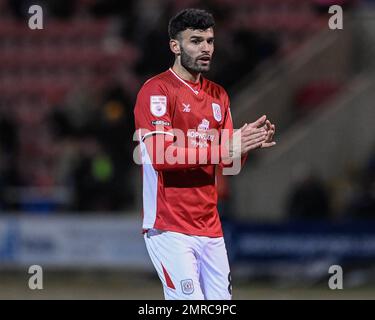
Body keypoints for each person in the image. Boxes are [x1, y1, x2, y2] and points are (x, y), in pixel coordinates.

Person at [133, 8, 276, 300]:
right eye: (195, 41)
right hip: (168, 227)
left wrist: (245, 144)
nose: (206, 48)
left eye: (210, 41)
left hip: (210, 228)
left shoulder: (219, 95)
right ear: (175, 46)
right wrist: (223, 148)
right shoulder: (157, 91)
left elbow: (228, 162)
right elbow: (161, 156)